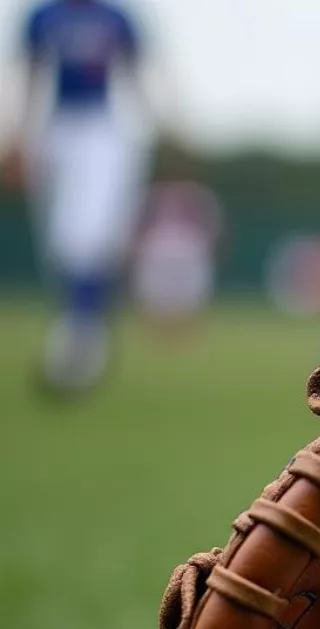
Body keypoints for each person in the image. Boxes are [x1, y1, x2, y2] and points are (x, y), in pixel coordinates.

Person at [3, 0, 154, 393]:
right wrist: (18, 136)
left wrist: (154, 131)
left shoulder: (115, 16)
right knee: (60, 247)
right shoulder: (43, 15)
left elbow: (135, 78)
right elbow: (31, 75)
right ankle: (86, 330)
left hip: (103, 130)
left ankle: (78, 342)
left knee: (87, 238)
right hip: (54, 130)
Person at [131, 159, 224, 337]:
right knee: (156, 291)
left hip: (188, 247)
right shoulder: (154, 194)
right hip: (158, 247)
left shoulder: (198, 195)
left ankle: (182, 332)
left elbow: (212, 224)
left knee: (188, 292)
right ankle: (161, 331)